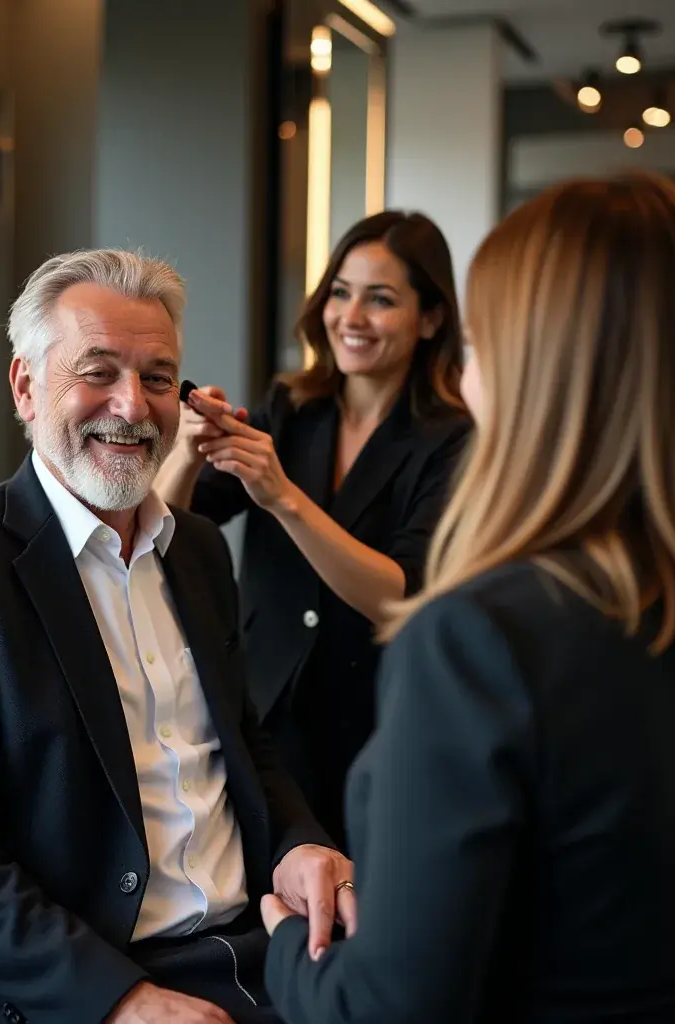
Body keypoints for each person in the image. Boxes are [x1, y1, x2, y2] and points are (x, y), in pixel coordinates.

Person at [260, 172, 675, 1023]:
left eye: (479, 349)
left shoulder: (481, 641)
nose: (467, 384)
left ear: (538, 374)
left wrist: (285, 948)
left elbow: (388, 1010)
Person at [0, 250, 355, 1024]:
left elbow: (243, 747)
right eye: (98, 372)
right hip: (85, 975)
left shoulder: (196, 549)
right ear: (27, 388)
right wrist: (119, 999)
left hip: (251, 946)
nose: (132, 407)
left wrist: (298, 844)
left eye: (158, 378)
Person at [155, 212, 470, 845]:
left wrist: (284, 498)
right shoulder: (291, 408)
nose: (351, 317)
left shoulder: (452, 441)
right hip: (256, 715)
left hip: (376, 725)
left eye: (380, 300)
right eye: (341, 292)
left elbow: (401, 594)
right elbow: (166, 531)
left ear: (431, 318)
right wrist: (187, 451)